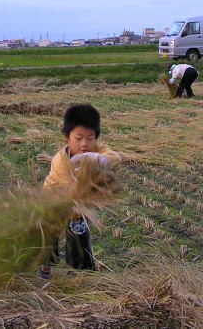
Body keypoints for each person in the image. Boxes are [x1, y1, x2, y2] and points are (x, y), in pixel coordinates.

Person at [39, 104, 120, 279]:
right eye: (79, 138)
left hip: (78, 207)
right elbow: (70, 191)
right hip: (55, 200)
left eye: (90, 138)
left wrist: (100, 159)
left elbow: (115, 157)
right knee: (48, 236)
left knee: (78, 237)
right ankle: (45, 268)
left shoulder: (96, 150)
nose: (84, 144)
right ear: (66, 137)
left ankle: (79, 272)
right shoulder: (60, 161)